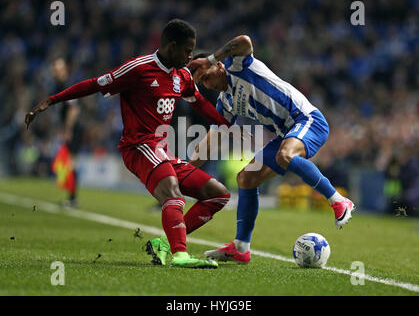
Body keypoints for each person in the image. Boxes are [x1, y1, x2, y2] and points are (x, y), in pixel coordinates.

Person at [25, 19, 233, 269]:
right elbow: (94, 84)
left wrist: (226, 124)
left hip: (161, 151)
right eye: (187, 51)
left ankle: (166, 244)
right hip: (138, 147)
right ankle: (180, 255)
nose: (190, 56)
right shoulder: (138, 69)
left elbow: (199, 103)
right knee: (172, 193)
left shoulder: (183, 75)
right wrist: (51, 101)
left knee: (218, 194)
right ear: (171, 46)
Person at [187, 35, 355, 264]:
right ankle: (241, 247)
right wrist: (183, 173)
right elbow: (209, 143)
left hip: (307, 120)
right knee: (246, 178)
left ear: (217, 65)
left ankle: (338, 200)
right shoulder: (225, 103)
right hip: (286, 133)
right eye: (202, 83)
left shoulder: (237, 65)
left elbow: (244, 41)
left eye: (206, 76)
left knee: (285, 155)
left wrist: (209, 57)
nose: (207, 84)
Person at [51, 58, 82, 207]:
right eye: (54, 69)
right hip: (69, 128)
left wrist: (68, 129)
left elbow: (74, 109)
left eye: (58, 69)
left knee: (71, 163)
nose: (55, 72)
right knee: (69, 163)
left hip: (74, 129)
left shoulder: (66, 85)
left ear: (64, 70)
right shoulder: (58, 85)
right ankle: (71, 197)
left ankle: (73, 198)